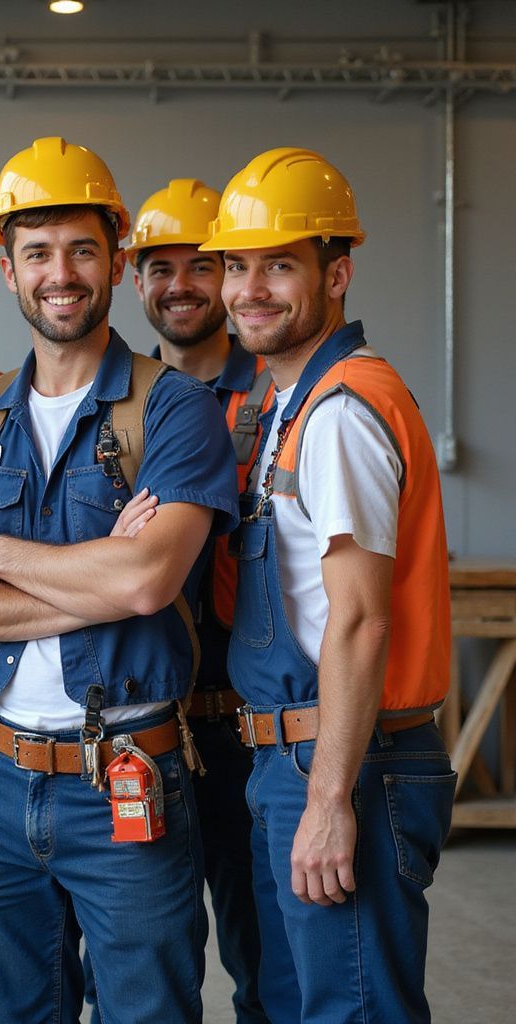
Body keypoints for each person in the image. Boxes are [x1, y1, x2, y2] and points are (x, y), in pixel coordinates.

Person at [0, 137, 239, 1024]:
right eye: (38, 252)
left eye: (83, 249)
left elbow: (144, 583)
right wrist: (92, 576)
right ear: (6, 272)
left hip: (128, 775)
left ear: (115, 261)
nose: (62, 272)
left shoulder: (174, 409)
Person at [199, 147, 456, 1023]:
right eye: (237, 265)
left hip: (347, 760)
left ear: (336, 273)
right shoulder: (286, 408)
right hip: (302, 755)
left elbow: (358, 622)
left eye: (279, 265)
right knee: (301, 1001)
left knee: (352, 1010)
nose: (250, 289)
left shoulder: (342, 410)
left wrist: (328, 800)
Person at [125, 179, 273, 1024]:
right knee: (146, 968)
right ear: (135, 279)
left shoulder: (281, 394)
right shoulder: (120, 404)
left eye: (201, 265)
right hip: (149, 726)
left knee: (266, 967)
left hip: (253, 730)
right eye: (159, 266)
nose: (179, 284)